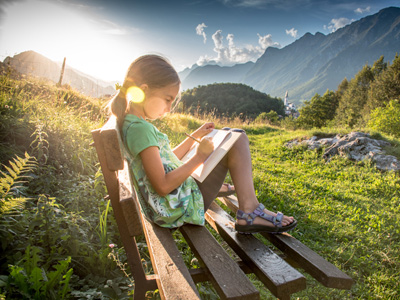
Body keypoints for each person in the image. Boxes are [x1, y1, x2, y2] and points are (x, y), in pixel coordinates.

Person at [109, 54, 297, 233]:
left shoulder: (132, 123)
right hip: (176, 207)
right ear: (144, 89)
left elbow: (167, 158)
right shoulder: (141, 129)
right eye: (168, 100)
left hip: (168, 205)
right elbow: (163, 186)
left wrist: (195, 134)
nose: (168, 109)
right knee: (237, 138)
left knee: (231, 134)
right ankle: (249, 211)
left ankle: (242, 202)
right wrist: (200, 157)